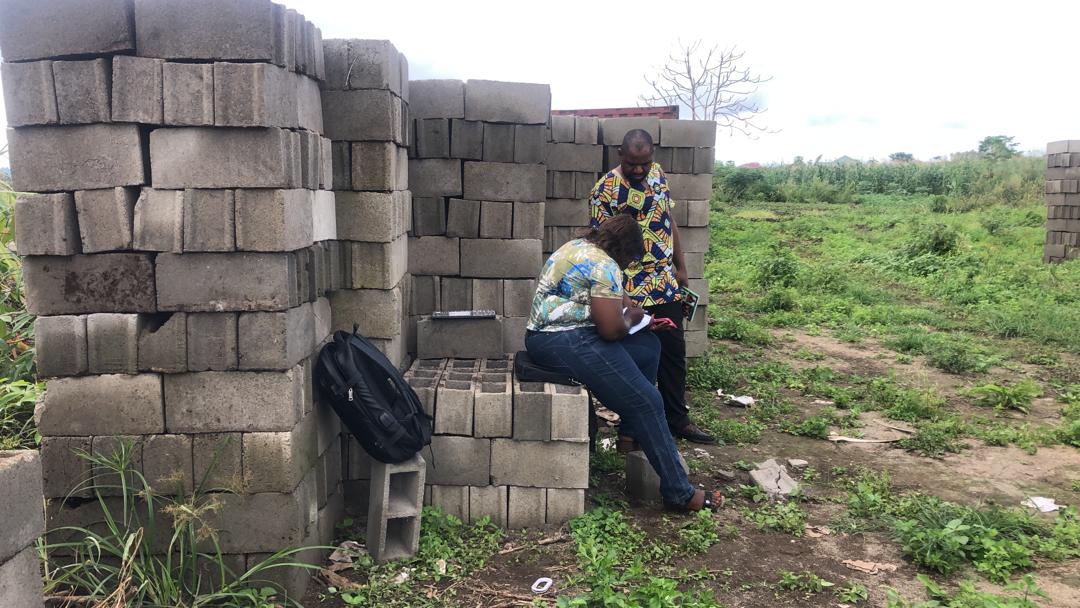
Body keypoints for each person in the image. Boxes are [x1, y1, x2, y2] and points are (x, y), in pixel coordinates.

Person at [524, 214, 721, 511]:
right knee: (648, 400)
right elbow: (611, 330)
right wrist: (633, 318)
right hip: (561, 340)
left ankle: (630, 433)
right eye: (630, 260)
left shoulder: (579, 246)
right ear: (624, 251)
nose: (629, 266)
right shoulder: (605, 266)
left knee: (648, 347)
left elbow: (615, 300)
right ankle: (679, 493)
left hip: (553, 334)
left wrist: (641, 319)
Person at [587, 128, 715, 444]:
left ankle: (678, 420)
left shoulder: (657, 175)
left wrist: (681, 268)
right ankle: (633, 428)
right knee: (637, 356)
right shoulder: (604, 191)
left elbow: (668, 221)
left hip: (663, 281)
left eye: (644, 163)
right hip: (629, 284)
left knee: (673, 351)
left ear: (652, 157)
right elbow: (601, 246)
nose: (639, 170)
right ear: (620, 154)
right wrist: (616, 289)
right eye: (632, 163)